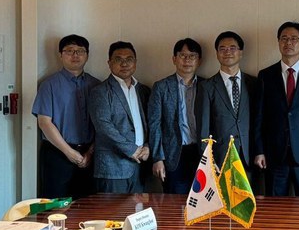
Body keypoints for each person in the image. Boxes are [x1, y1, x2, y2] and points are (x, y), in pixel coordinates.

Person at [254, 22, 299, 197]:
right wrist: (259, 150)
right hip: (274, 153)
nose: (288, 43)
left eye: (294, 39)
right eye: (284, 38)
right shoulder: (265, 75)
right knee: (275, 206)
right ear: (278, 42)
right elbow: (259, 117)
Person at [32, 34, 101, 199]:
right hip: (58, 153)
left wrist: (90, 152)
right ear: (60, 55)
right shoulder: (49, 85)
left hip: (90, 154)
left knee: (87, 204)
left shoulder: (97, 85)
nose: (75, 55)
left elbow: (102, 124)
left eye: (80, 51)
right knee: (55, 204)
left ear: (87, 55)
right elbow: (44, 123)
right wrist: (70, 153)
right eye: (69, 51)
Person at [89, 41, 150, 194]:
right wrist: (131, 150)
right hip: (112, 168)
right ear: (109, 63)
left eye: (129, 59)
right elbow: (103, 126)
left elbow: (151, 123)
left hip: (140, 166)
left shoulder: (143, 90)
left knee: (137, 209)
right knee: (112, 209)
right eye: (118, 59)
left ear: (135, 62)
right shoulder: (100, 91)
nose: (124, 64)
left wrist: (148, 146)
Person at [200, 31, 259, 185]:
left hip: (249, 156)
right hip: (220, 158)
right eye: (223, 49)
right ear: (217, 54)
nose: (228, 52)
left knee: (249, 198)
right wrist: (208, 160)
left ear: (241, 52)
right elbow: (203, 128)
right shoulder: (207, 87)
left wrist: (261, 151)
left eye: (233, 48)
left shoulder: (254, 83)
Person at [148, 38, 204, 195]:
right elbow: (154, 125)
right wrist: (157, 158)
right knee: (173, 201)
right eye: (182, 55)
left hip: (202, 153)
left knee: (202, 200)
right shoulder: (161, 87)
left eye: (192, 56)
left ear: (199, 60)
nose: (187, 60)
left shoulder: (207, 85)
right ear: (174, 59)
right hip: (173, 155)